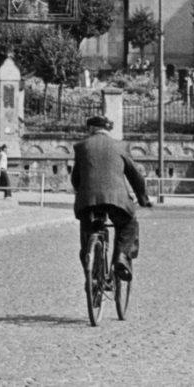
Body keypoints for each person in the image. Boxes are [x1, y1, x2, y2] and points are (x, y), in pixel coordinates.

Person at [70, 114, 150, 279]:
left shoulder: (81, 146)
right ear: (108, 130)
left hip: (87, 201)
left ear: (91, 129)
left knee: (87, 229)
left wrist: (82, 192)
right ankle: (121, 256)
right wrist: (143, 199)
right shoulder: (120, 146)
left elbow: (75, 178)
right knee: (129, 223)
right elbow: (136, 176)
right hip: (117, 200)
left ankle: (88, 259)